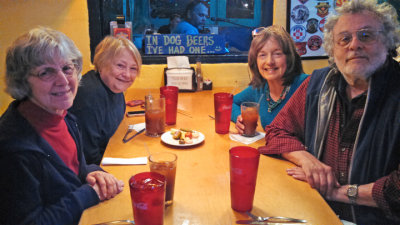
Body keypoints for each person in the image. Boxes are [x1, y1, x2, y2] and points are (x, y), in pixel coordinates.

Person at [259, 0, 400, 224]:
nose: (354, 45)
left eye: (366, 35)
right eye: (344, 38)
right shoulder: (318, 83)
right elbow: (277, 131)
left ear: (389, 41)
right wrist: (307, 161)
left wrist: (337, 192)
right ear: (333, 49)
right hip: (314, 210)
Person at [0, 27, 124, 224]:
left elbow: (74, 169)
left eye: (67, 68)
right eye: (45, 72)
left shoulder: (64, 117)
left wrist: (93, 172)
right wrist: (88, 193)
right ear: (23, 81)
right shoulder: (14, 150)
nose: (63, 80)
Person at [69, 36, 141, 165]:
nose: (127, 74)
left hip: (109, 155)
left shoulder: (113, 87)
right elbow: (88, 156)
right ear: (102, 63)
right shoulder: (91, 94)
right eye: (120, 66)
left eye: (133, 68)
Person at [231, 25, 308, 134]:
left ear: (289, 58)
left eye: (277, 54)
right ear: (255, 61)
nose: (269, 61)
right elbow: (229, 103)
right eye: (262, 55)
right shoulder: (260, 88)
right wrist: (239, 117)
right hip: (270, 149)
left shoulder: (306, 85)